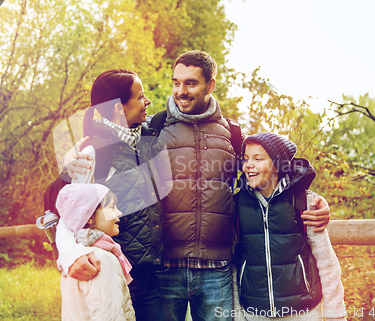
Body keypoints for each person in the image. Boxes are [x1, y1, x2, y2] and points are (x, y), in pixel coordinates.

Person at [63, 51, 331, 321]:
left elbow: (269, 172)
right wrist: (72, 158)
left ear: (210, 85)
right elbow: (73, 190)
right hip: (163, 270)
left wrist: (311, 198)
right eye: (176, 83)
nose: (181, 91)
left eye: (190, 83)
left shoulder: (233, 134)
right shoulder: (149, 130)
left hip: (218, 270)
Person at [56, 69, 168, 321]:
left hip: (151, 275)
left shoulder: (144, 140)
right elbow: (68, 218)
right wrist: (71, 255)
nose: (147, 101)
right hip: (116, 274)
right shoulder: (93, 152)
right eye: (140, 96)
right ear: (119, 107)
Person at [232, 133, 346, 321]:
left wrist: (335, 314)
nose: (248, 165)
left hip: (303, 312)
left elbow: (327, 262)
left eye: (258, 159)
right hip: (254, 313)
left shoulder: (304, 202)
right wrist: (237, 314)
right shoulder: (237, 206)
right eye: (245, 159)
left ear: (278, 165)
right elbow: (234, 265)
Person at [57, 183, 136, 321]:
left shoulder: (74, 257)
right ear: (89, 217)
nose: (119, 213)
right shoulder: (100, 259)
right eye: (111, 207)